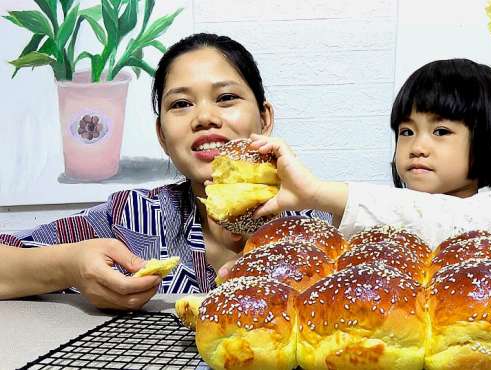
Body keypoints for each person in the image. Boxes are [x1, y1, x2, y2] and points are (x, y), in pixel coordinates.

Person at [0, 33, 326, 310]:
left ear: (265, 118)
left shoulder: (324, 222)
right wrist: (68, 267)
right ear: (162, 136)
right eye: (181, 104)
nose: (204, 117)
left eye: (226, 98)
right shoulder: (133, 217)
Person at [249, 58, 491, 251]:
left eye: (440, 132)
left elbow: (435, 220)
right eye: (406, 132)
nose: (417, 147)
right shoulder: (384, 216)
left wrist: (318, 193)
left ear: (488, 139)